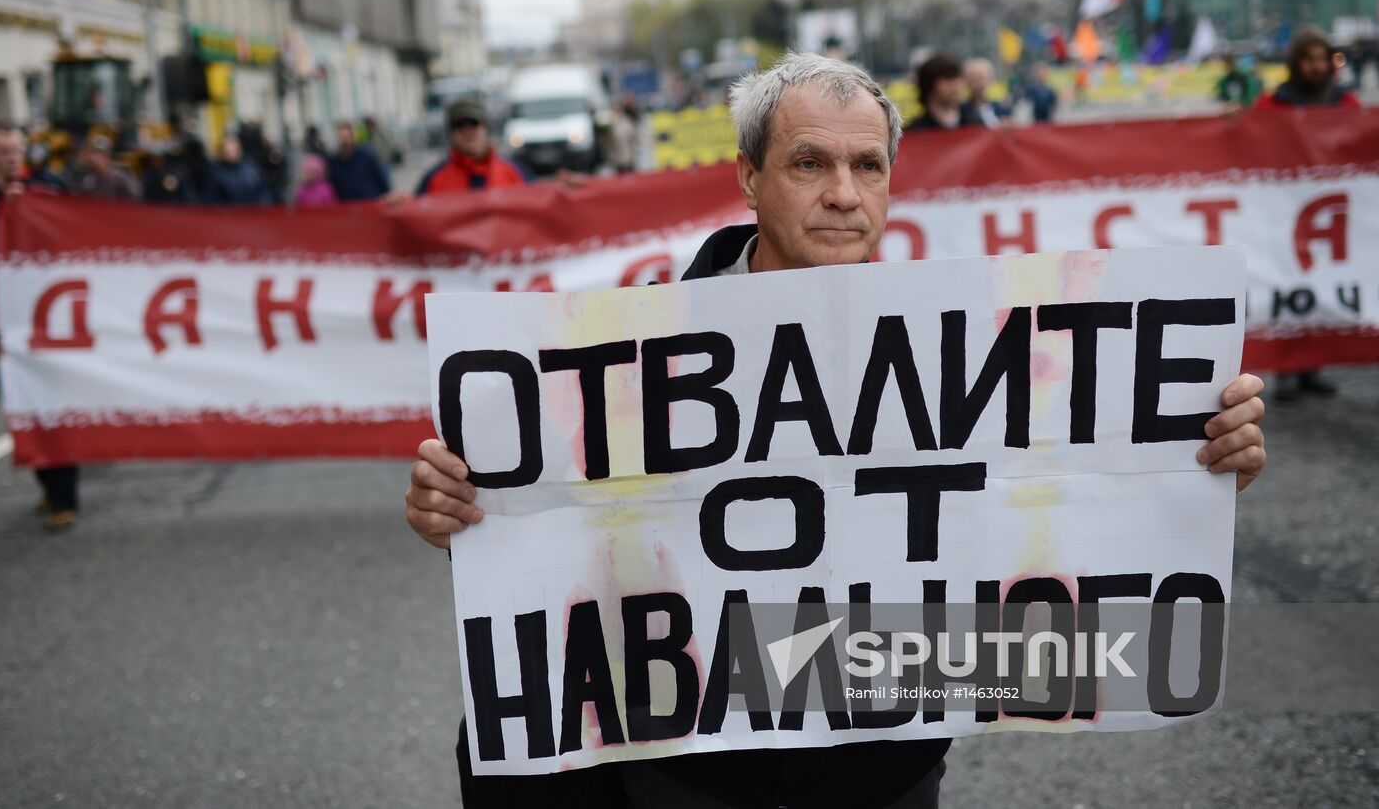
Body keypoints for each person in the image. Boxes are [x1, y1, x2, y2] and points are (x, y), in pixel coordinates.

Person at [403, 53, 1270, 809]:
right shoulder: (631, 359)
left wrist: (1189, 465)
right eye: (809, 162)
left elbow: (1064, 489)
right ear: (748, 175)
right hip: (693, 765)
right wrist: (465, 516)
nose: (843, 195)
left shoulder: (962, 350)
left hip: (878, 770)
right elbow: (556, 532)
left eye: (868, 165)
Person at [0, 122, 82, 530]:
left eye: (17, 150)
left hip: (47, 325)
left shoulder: (43, 196)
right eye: (3, 151)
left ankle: (64, 496)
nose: (12, 158)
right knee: (22, 409)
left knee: (55, 408)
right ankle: (48, 480)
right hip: (5, 332)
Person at [1254, 26, 1359, 400]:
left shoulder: (1347, 106)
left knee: (1322, 286)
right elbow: (1249, 143)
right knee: (1288, 287)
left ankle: (1313, 366)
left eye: (1320, 59)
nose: (1315, 67)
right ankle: (1287, 369)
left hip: (1331, 218)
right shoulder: (1272, 106)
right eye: (1307, 59)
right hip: (1285, 214)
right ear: (1295, 63)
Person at [414, 99, 527, 196]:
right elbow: (414, 213)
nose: (467, 132)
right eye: (460, 125)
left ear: (485, 128)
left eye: (473, 124)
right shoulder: (434, 180)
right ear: (451, 133)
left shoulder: (514, 172)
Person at [906, 53, 978, 131]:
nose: (957, 85)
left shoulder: (975, 122)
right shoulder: (915, 132)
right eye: (949, 79)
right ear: (930, 85)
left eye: (959, 78)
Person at [328, 120, 392, 201]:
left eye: (348, 137)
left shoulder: (367, 156)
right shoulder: (335, 162)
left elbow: (380, 178)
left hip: (369, 203)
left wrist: (387, 195)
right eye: (342, 138)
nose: (346, 141)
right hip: (347, 206)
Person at [205, 133, 272, 206]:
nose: (231, 153)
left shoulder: (252, 169)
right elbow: (213, 200)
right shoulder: (216, 174)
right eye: (228, 151)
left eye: (234, 150)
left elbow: (263, 191)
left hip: (254, 213)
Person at [67, 134, 141, 200]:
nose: (93, 158)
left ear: (107, 157)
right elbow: (78, 194)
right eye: (93, 153)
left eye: (98, 154)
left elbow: (136, 195)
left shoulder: (120, 177)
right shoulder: (87, 175)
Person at [962, 57, 1012, 128]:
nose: (978, 84)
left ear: (989, 79)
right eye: (973, 79)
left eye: (980, 78)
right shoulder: (961, 111)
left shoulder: (1001, 109)